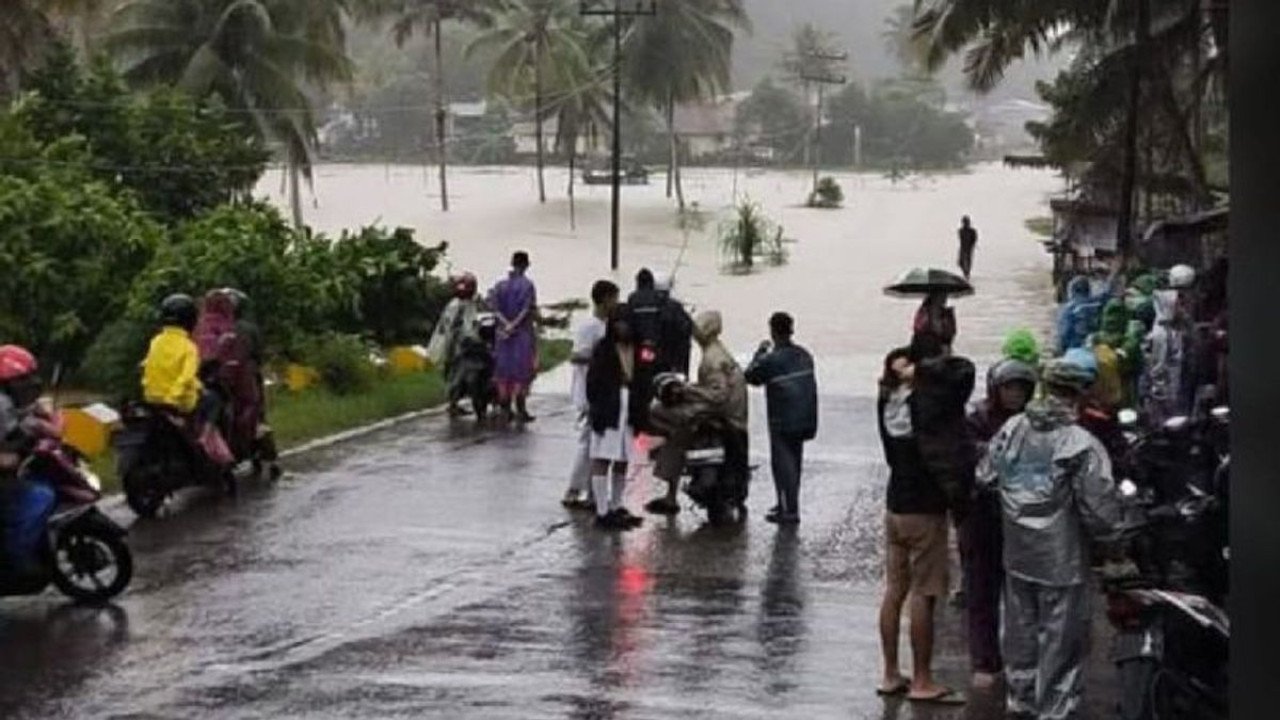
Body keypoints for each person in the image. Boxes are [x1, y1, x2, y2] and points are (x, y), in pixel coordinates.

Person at [978, 357, 1126, 720]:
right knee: (1061, 641)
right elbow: (1100, 510)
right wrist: (1116, 541)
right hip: (1063, 559)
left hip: (1018, 553)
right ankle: (1055, 710)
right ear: (1080, 393)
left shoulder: (1012, 428)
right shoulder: (1081, 443)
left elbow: (985, 476)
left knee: (1020, 632)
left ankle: (1021, 702)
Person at [875, 347, 966, 706]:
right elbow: (963, 372)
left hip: (895, 502)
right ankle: (923, 679)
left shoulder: (886, 402)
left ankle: (890, 672)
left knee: (894, 590)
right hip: (925, 507)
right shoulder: (925, 405)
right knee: (923, 594)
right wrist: (927, 371)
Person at [961, 356, 1037, 689]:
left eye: (1021, 388)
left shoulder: (1034, 423)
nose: (1014, 394)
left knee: (1023, 596)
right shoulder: (977, 418)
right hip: (982, 519)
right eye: (1009, 387)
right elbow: (968, 458)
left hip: (1022, 521)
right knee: (981, 592)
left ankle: (1024, 661)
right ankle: (984, 660)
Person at [646, 310, 749, 516]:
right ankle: (672, 490)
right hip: (729, 412)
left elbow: (717, 395)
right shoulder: (718, 352)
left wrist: (687, 390)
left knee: (657, 413)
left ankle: (669, 485)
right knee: (677, 433)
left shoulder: (712, 358)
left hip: (720, 412)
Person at [745, 312, 818, 525]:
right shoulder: (804, 354)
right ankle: (785, 503)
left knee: (782, 463)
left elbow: (750, 376)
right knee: (795, 461)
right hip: (806, 416)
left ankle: (789, 510)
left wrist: (759, 352)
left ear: (773, 330)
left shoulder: (772, 359)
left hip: (781, 419)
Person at [0, 345, 59, 577]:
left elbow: (27, 415)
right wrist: (8, 459)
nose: (30, 383)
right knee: (39, 497)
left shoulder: (9, 403)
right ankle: (15, 557)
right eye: (22, 379)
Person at [585, 307, 645, 531]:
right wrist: (596, 409)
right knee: (602, 457)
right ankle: (602, 511)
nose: (623, 327)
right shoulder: (603, 349)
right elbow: (593, 382)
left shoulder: (639, 349)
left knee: (623, 458)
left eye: (626, 323)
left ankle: (618, 505)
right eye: (618, 323)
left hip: (630, 407)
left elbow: (645, 377)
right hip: (608, 408)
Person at [562, 280, 620, 510]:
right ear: (605, 299)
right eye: (614, 298)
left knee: (596, 443)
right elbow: (576, 356)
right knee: (587, 442)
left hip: (601, 391)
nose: (616, 302)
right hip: (588, 392)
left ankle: (590, 492)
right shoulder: (589, 327)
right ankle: (574, 489)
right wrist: (601, 359)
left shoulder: (608, 325)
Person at [488, 252, 539, 423]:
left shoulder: (500, 285)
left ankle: (505, 408)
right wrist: (515, 325)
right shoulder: (528, 286)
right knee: (522, 372)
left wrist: (506, 324)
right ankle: (520, 409)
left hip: (502, 336)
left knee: (503, 372)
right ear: (526, 265)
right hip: (521, 334)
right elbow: (527, 309)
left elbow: (495, 309)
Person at [428, 272, 483, 417]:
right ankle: (453, 404)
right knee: (456, 374)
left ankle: (455, 403)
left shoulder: (462, 304)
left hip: (460, 344)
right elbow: (455, 328)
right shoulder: (457, 305)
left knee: (456, 374)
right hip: (457, 346)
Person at [142, 294, 204, 417]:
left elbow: (147, 365)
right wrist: (172, 398)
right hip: (179, 403)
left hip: (152, 398)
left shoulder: (156, 341)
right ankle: (206, 434)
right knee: (211, 401)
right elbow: (187, 377)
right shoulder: (189, 347)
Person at [1140, 289, 1186, 426]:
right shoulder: (1162, 334)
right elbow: (1159, 367)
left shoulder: (1171, 330)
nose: (1181, 309)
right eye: (1177, 305)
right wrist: (1163, 395)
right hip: (1165, 396)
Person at [654, 273, 694, 377]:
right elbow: (688, 327)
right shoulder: (675, 307)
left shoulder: (648, 305)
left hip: (660, 356)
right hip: (673, 357)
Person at [1055, 276, 1106, 354]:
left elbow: (1063, 334)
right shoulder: (1098, 303)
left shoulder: (1068, 309)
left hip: (1074, 350)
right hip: (1098, 350)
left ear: (1072, 291)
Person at [957, 215, 978, 281]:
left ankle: (967, 275)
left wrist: (972, 246)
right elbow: (961, 239)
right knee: (960, 262)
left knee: (967, 262)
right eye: (964, 222)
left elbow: (974, 239)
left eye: (966, 222)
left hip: (969, 248)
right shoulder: (960, 230)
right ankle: (966, 274)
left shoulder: (972, 231)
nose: (965, 224)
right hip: (962, 248)